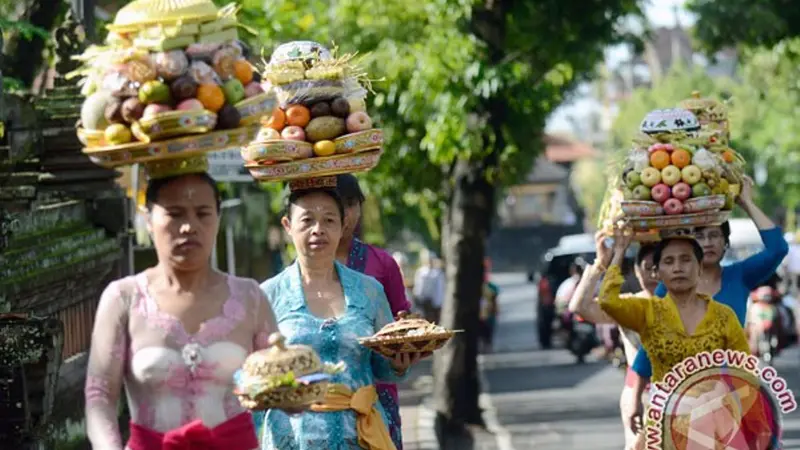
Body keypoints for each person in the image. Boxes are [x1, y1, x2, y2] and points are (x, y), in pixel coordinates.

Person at [85, 168, 279, 449]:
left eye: (202, 213)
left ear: (218, 218)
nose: (189, 226)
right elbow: (99, 395)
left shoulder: (250, 298)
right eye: (175, 214)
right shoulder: (124, 298)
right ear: (148, 218)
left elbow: (280, 382)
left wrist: (296, 395)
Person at [258, 181, 423, 450]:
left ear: (342, 225)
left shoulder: (369, 291)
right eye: (307, 220)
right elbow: (254, 378)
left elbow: (382, 368)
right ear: (288, 226)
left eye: (329, 220)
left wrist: (399, 363)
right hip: (292, 439)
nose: (318, 230)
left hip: (361, 436)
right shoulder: (267, 295)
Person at [626, 176, 788, 434]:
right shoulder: (669, 286)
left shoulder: (740, 275)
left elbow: (778, 248)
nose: (709, 242)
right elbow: (652, 344)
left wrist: (746, 202)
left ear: (726, 244)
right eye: (701, 236)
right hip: (679, 398)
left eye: (716, 236)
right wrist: (635, 400)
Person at [334, 173, 411, 449]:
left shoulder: (383, 264)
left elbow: (401, 323)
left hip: (378, 393)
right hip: (323, 401)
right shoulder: (301, 274)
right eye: (337, 204)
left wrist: (403, 343)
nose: (344, 214)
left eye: (351, 203)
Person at [568, 240, 658, 450]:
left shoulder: (689, 305)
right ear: (636, 272)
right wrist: (602, 262)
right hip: (641, 396)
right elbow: (580, 307)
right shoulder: (628, 305)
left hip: (685, 396)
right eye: (647, 269)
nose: (654, 275)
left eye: (658, 267)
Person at [413, 249, 445, 323]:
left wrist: (438, 303)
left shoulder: (438, 273)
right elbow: (418, 287)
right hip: (422, 302)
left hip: (433, 303)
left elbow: (439, 289)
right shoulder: (420, 272)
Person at [479, 282, 500, 353]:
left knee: (487, 333)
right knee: (484, 333)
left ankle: (487, 347)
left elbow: (495, 300)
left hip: (488, 315)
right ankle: (485, 347)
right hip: (483, 316)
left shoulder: (491, 287)